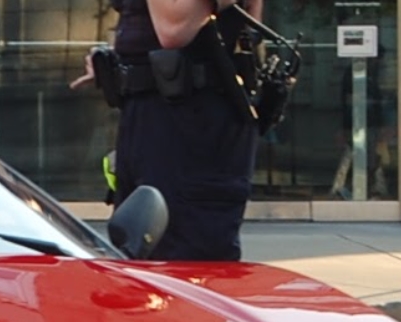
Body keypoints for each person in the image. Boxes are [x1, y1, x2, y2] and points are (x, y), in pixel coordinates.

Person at [71, 0, 263, 261]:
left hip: (188, 121)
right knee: (144, 259)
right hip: (163, 113)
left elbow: (174, 28)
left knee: (179, 264)